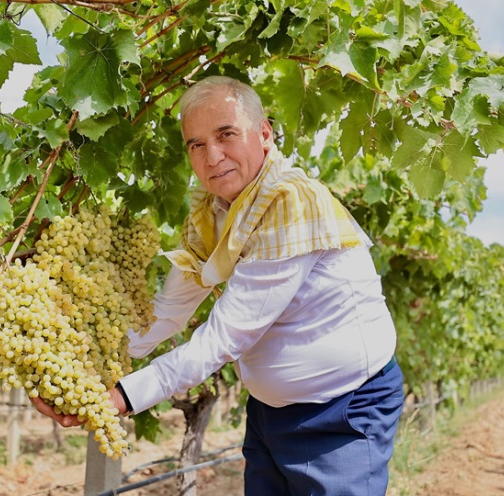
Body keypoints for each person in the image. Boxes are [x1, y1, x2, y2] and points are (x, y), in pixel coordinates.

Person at [31, 75, 403, 495]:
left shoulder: (292, 201)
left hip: (344, 413)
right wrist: (82, 366)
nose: (212, 156)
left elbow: (227, 336)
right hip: (269, 413)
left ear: (264, 134)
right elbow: (167, 312)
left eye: (226, 134)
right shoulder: (213, 213)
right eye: (196, 144)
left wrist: (121, 395)